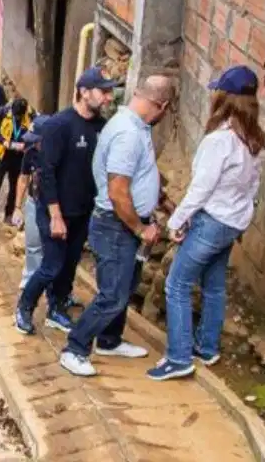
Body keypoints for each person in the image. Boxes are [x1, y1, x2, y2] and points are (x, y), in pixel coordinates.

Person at [148, 66, 265, 381]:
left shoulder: (220, 141)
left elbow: (201, 189)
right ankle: (207, 347)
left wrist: (177, 220)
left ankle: (178, 356)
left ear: (223, 97)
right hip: (232, 224)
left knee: (177, 284)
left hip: (211, 222)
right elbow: (253, 190)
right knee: (213, 286)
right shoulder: (255, 139)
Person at [60, 74, 175, 378]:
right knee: (112, 295)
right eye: (168, 110)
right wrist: (140, 229)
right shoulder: (127, 133)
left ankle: (109, 340)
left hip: (124, 225)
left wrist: (159, 199)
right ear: (161, 105)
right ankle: (75, 348)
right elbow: (118, 191)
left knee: (125, 287)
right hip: (116, 227)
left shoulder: (138, 127)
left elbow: (138, 175)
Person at [15, 67, 116, 337]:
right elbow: (46, 173)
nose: (108, 97)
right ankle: (24, 307)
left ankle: (56, 309)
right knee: (51, 266)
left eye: (110, 91)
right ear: (84, 92)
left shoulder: (101, 127)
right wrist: (55, 216)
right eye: (103, 91)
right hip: (55, 211)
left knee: (69, 265)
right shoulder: (59, 125)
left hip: (82, 210)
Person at [0, 97, 33, 227]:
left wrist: (24, 145)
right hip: (0, 153)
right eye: (16, 115)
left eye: (20, 116)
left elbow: (35, 134)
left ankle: (9, 215)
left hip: (18, 156)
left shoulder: (31, 116)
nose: (18, 118)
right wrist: (4, 141)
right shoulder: (2, 112)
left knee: (15, 185)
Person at [17, 114, 51, 289]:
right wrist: (17, 207)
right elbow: (23, 178)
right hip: (33, 201)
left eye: (37, 140)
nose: (34, 144)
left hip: (53, 207)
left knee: (52, 247)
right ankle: (30, 279)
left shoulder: (59, 154)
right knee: (32, 244)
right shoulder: (31, 153)